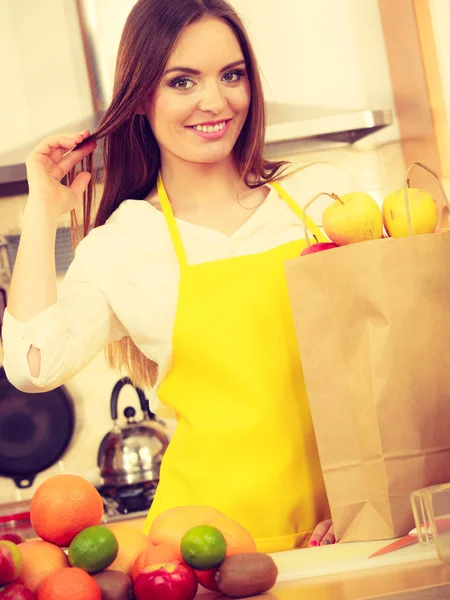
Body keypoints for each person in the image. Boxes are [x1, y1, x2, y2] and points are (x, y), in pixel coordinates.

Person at [2, 0, 342, 552]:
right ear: (140, 98)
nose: (215, 100)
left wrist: (369, 497)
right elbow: (32, 366)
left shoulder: (319, 197)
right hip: (202, 550)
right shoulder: (125, 243)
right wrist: (42, 210)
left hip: (347, 531)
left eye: (231, 75)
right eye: (182, 81)